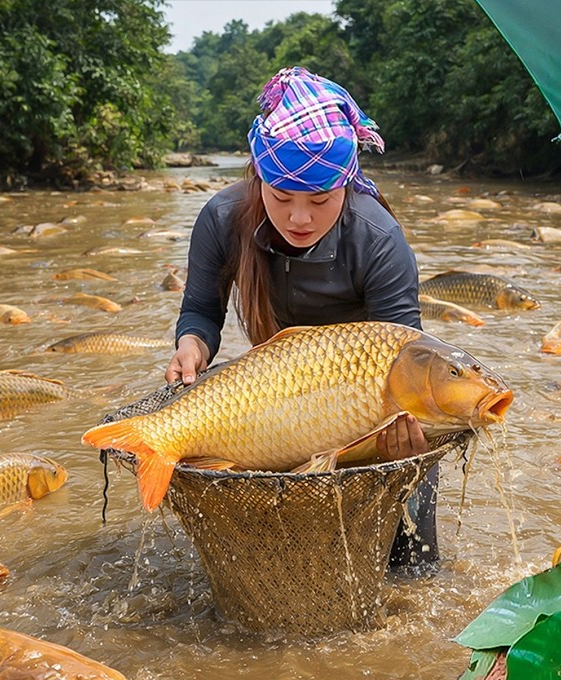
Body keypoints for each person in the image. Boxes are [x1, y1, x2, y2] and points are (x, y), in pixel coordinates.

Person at [164, 67, 437, 571]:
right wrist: (192, 345)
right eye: (281, 197)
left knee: (410, 572)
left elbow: (406, 351)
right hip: (277, 404)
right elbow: (202, 311)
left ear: (347, 183)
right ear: (258, 177)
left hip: (363, 411)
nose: (300, 219)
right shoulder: (221, 219)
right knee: (282, 564)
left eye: (320, 200)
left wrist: (405, 431)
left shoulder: (378, 240)